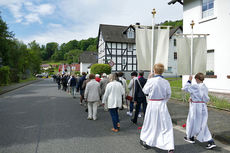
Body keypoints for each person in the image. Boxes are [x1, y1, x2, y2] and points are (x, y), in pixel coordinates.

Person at [140, 63, 174, 153]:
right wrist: (164, 101)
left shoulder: (151, 81)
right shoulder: (166, 82)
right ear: (162, 71)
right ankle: (169, 146)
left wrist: (149, 79)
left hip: (152, 104)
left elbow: (145, 91)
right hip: (162, 104)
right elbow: (168, 94)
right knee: (166, 125)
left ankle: (146, 140)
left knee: (149, 123)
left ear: (154, 71)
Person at [182, 73, 216, 149]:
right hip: (203, 105)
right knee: (200, 123)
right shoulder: (205, 87)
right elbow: (202, 96)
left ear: (197, 78)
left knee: (194, 122)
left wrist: (189, 80)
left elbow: (185, 88)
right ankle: (190, 137)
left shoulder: (195, 86)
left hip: (196, 106)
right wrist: (192, 97)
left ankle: (210, 141)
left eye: (195, 79)